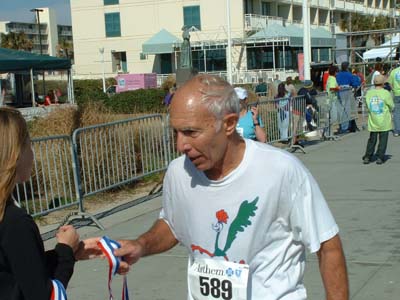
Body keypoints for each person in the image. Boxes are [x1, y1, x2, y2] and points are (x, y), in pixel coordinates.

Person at [95, 74, 349, 300]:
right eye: (176, 133)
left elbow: (328, 246)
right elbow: (173, 224)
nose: (180, 145)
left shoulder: (281, 170)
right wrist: (141, 245)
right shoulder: (178, 172)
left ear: (228, 124)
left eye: (191, 132)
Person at [0, 107, 80, 299]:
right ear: (15, 154)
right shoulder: (15, 222)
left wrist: (67, 252)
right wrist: (66, 254)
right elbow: (42, 293)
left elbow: (20, 268)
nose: (32, 152)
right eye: (29, 143)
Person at [362, 75, 395, 165]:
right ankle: (380, 157)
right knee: (383, 139)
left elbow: (368, 105)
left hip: (373, 119)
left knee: (372, 139)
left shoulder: (369, 93)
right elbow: (391, 105)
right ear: (383, 83)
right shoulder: (385, 93)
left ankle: (368, 156)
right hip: (384, 120)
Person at [387, 62, 400, 136]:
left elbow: (389, 83)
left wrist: (394, 90)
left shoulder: (394, 71)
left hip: (397, 93)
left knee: (396, 113)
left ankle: (397, 131)